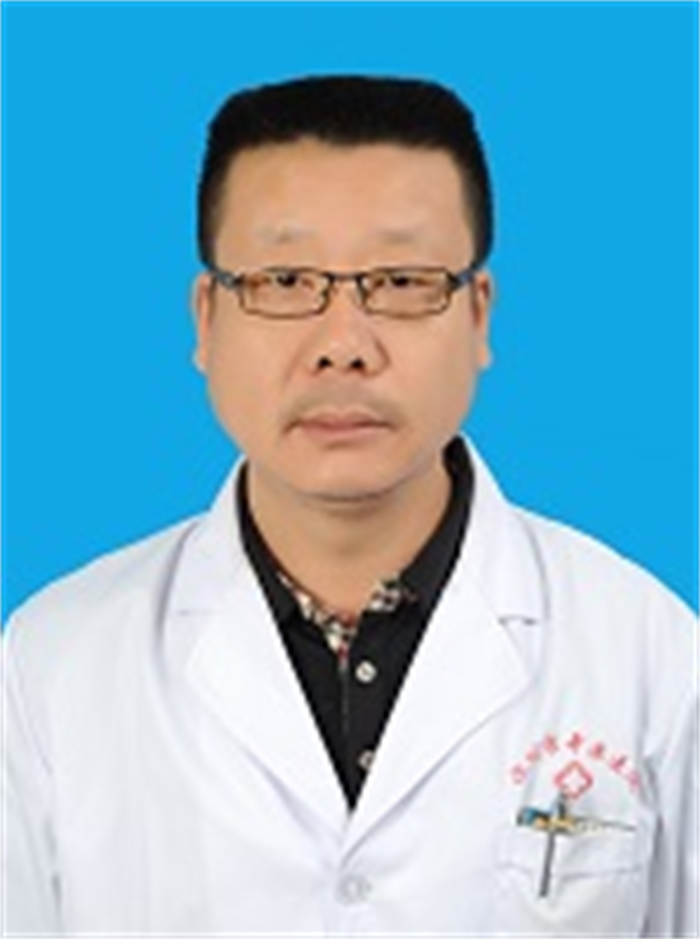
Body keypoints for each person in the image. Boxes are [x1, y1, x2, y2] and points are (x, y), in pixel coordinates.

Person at [2, 74, 696, 935]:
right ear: (207, 319)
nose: (342, 345)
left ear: (479, 316)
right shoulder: (55, 660)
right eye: (285, 278)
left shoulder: (649, 652)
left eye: (402, 280)